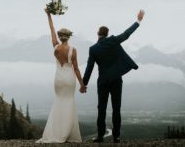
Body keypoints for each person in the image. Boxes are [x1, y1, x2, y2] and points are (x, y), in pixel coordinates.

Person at [81, 10, 145, 143]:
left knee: (101, 109)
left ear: (98, 34)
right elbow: (127, 34)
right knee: (116, 108)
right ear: (107, 34)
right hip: (116, 79)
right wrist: (138, 21)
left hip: (103, 81)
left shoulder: (93, 49)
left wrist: (84, 84)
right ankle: (116, 136)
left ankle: (100, 136)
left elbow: (90, 67)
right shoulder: (114, 41)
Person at [36, 9, 84, 143]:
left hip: (58, 79)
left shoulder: (55, 47)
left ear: (60, 36)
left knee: (58, 102)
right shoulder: (73, 50)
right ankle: (66, 133)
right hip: (69, 80)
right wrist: (82, 84)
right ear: (69, 37)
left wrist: (48, 15)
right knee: (69, 103)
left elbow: (51, 30)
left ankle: (56, 132)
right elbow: (76, 69)